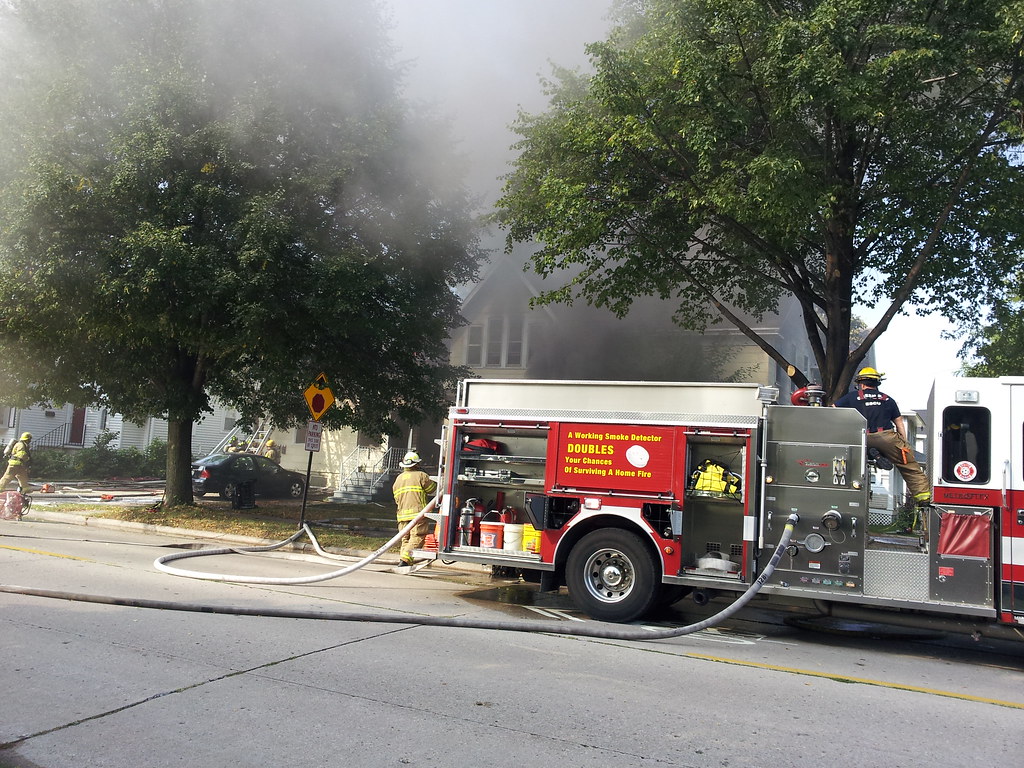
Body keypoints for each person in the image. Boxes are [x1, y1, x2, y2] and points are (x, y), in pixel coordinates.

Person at [834, 367, 931, 506]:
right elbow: (899, 423)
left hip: (861, 437)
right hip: (886, 437)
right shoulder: (887, 399)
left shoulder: (851, 397)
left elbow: (833, 410)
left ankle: (873, 453)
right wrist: (903, 444)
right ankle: (924, 498)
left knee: (848, 460)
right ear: (877, 383)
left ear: (861, 383)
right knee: (909, 465)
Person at [392, 450, 437, 567]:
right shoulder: (421, 475)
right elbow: (432, 489)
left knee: (405, 539)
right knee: (418, 537)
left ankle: (406, 562)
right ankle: (405, 560)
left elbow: (396, 498)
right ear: (416, 464)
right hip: (417, 514)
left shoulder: (398, 479)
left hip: (402, 515)